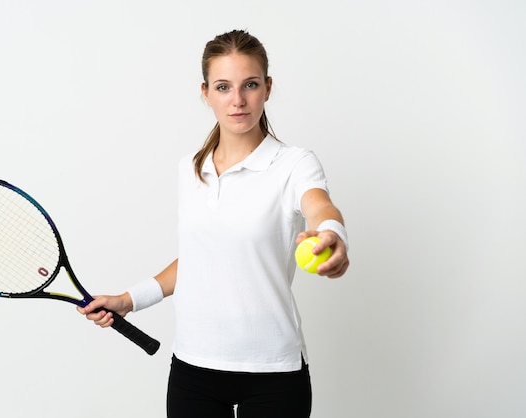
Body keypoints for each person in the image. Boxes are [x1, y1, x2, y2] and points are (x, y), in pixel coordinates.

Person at [78, 29, 350, 418]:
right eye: (223, 87)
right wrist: (128, 300)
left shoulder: (294, 164)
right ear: (205, 93)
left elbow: (320, 206)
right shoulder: (190, 168)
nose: (237, 100)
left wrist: (332, 234)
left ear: (268, 88)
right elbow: (199, 259)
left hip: (272, 371)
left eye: (250, 85)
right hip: (194, 369)